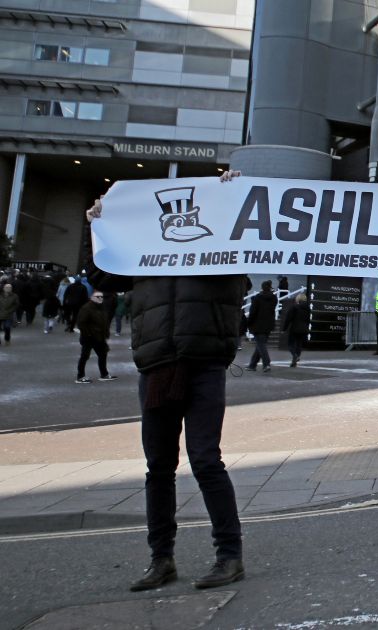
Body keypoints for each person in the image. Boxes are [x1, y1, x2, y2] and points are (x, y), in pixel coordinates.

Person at [87, 174, 246, 592]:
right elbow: (103, 276)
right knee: (158, 468)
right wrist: (101, 226)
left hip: (204, 362)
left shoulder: (222, 246)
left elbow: (245, 267)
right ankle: (162, 560)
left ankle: (229, 556)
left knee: (206, 460)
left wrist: (233, 196)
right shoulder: (140, 253)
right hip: (157, 366)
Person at [75, 289, 115, 383]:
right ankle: (80, 376)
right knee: (85, 356)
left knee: (103, 354)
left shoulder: (101, 307)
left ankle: (104, 374)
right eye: (98, 297)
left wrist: (106, 333)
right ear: (92, 298)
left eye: (102, 297)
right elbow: (81, 323)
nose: (100, 298)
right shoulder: (87, 308)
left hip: (99, 336)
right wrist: (88, 334)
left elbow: (104, 321)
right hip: (89, 337)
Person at [246, 280, 276, 373]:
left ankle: (266, 363)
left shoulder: (257, 298)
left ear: (262, 287)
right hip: (268, 325)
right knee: (260, 344)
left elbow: (253, 312)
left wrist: (248, 323)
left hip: (258, 325)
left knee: (260, 344)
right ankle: (252, 365)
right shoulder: (274, 298)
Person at [281, 292, 311, 368]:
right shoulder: (308, 308)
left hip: (294, 328)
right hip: (304, 329)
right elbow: (308, 320)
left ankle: (295, 356)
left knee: (290, 344)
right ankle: (294, 362)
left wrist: (284, 328)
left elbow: (288, 319)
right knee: (299, 344)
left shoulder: (294, 307)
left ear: (298, 299)